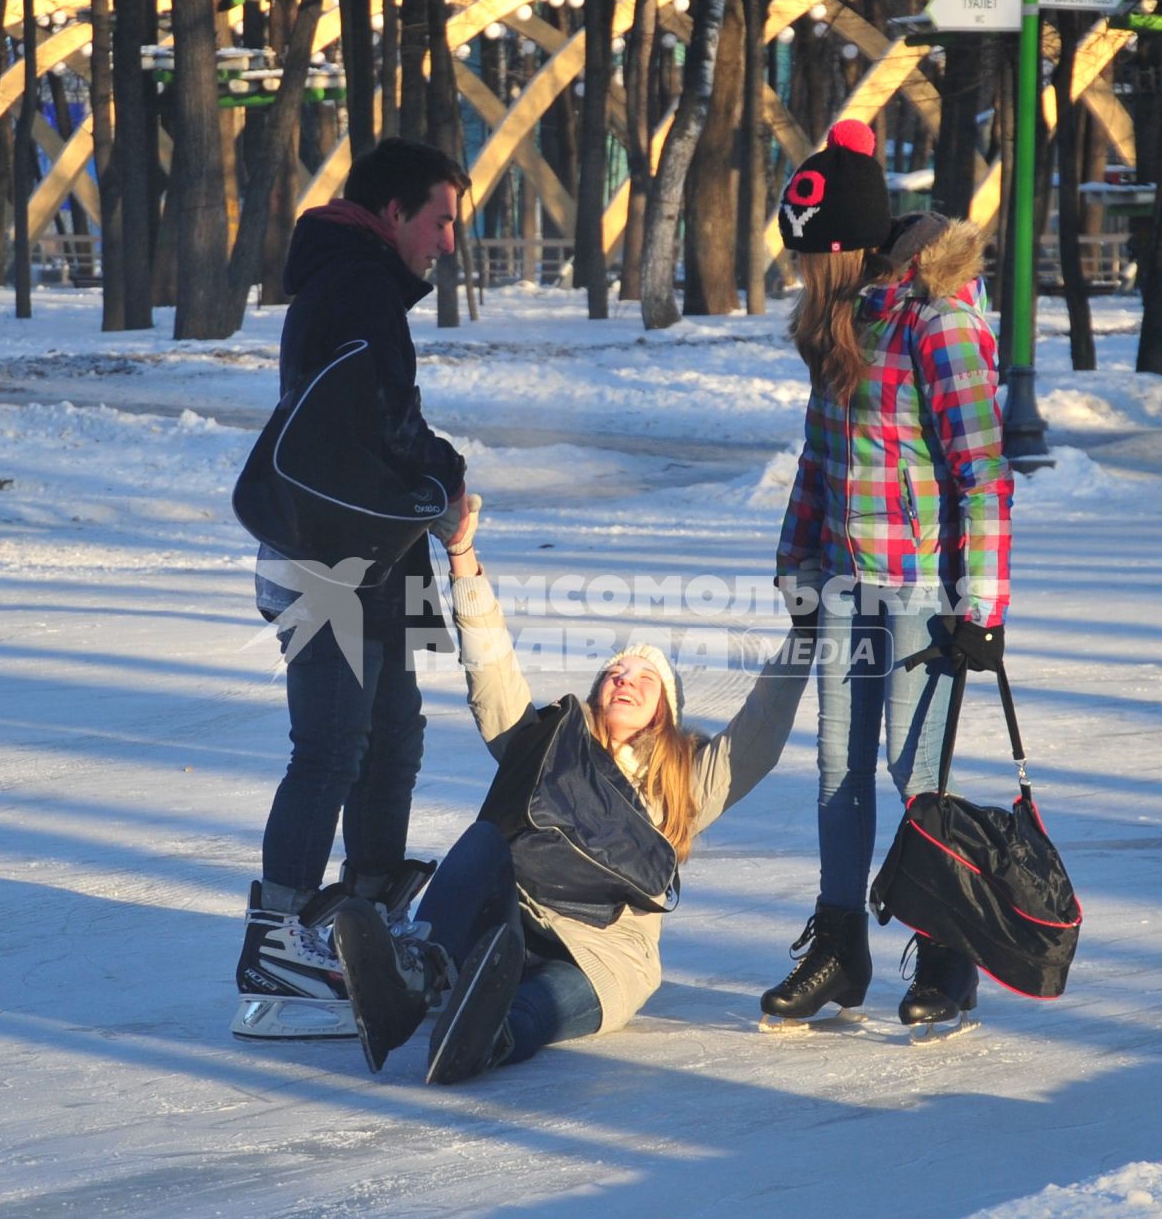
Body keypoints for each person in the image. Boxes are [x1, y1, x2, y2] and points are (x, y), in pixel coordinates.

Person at [328, 503, 811, 1084]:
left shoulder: (685, 780)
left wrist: (805, 633)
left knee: (537, 1008)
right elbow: (494, 676)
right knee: (484, 840)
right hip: (515, 919)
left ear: (667, 711)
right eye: (616, 673)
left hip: (605, 952)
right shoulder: (549, 748)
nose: (626, 679)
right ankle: (415, 979)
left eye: (644, 678)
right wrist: (462, 561)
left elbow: (755, 739)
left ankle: (490, 1036)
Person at [765, 120, 1013, 1037]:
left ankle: (948, 946)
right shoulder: (845, 316)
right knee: (838, 765)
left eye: (808, 257)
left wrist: (979, 603)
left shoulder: (938, 319)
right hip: (843, 579)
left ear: (846, 245)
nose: (800, 275)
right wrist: (797, 560)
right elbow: (816, 459)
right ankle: (841, 943)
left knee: (916, 771)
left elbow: (981, 471)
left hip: (921, 590)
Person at [232, 139, 481, 1041]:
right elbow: (365, 431)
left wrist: (434, 472)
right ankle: (281, 937)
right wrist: (440, 472)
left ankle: (369, 909)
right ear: (391, 213)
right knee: (333, 742)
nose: (447, 241)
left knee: (395, 733)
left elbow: (385, 421)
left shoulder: (362, 284)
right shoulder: (353, 286)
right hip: (326, 556)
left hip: (381, 556)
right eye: (440, 219)